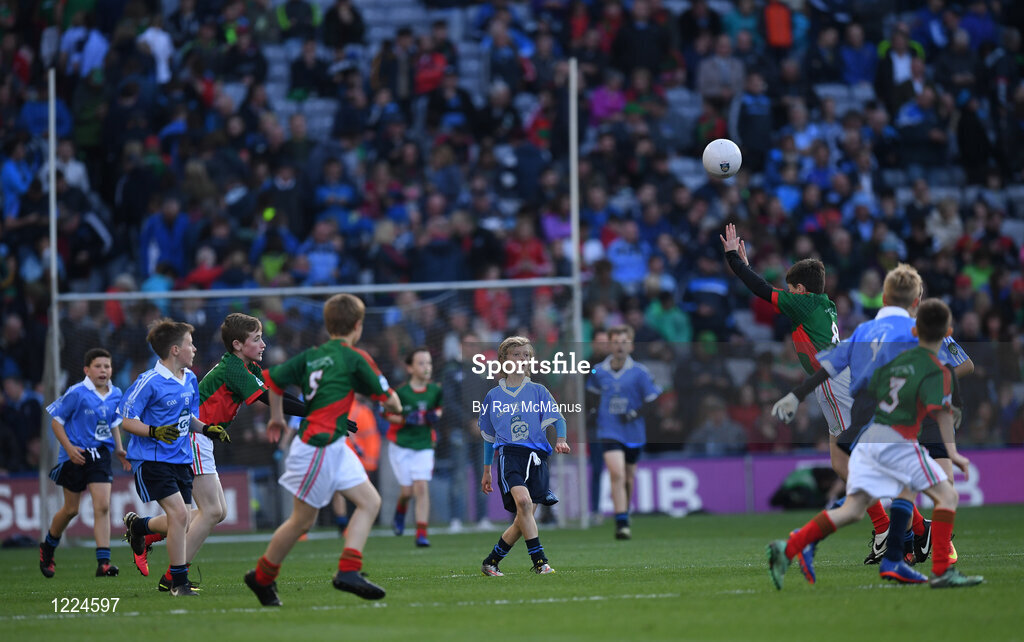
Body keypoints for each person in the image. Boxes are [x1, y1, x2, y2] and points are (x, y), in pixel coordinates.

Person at [766, 299, 983, 589]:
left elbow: (830, 366)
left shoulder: (869, 336)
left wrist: (797, 394)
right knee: (943, 495)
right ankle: (937, 567)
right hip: (892, 438)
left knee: (861, 505)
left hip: (872, 434)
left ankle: (793, 546)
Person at [126, 314, 306, 589]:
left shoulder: (245, 367)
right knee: (210, 511)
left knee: (215, 512)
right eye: (256, 339)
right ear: (237, 345)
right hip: (195, 436)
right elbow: (269, 400)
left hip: (203, 436)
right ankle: (174, 575)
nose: (263, 344)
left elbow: (273, 393)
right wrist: (315, 412)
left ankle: (143, 529)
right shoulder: (233, 368)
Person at [244, 293, 402, 607]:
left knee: (370, 502)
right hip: (319, 443)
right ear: (358, 326)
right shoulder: (356, 357)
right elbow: (392, 402)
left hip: (334, 443)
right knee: (302, 521)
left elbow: (273, 381)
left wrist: (276, 417)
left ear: (329, 325)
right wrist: (394, 407)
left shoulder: (311, 356)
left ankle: (348, 570)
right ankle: (261, 577)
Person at [117, 319, 228, 597]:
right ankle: (178, 582)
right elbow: (126, 420)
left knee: (184, 519)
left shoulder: (189, 378)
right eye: (190, 344)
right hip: (152, 460)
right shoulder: (149, 382)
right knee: (179, 515)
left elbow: (186, 418)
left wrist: (205, 428)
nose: (195, 348)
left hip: (181, 459)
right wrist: (155, 431)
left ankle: (139, 527)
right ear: (176, 349)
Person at [479, 336, 571, 577]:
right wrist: (487, 470)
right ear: (503, 360)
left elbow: (559, 419)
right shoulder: (492, 397)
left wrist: (561, 439)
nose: (522, 359)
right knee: (524, 503)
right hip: (510, 456)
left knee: (524, 517)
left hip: (537, 459)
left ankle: (491, 561)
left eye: (526, 355)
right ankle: (540, 561)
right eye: (516, 354)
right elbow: (489, 438)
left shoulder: (538, 391)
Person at [40, 348, 130, 578]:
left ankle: (104, 563)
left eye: (107, 366)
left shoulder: (115, 393)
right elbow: (56, 424)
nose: (103, 370)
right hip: (76, 454)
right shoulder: (77, 392)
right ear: (87, 370)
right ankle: (48, 548)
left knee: (102, 506)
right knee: (71, 510)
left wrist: (119, 448)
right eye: (98, 366)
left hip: (100, 455)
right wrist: (69, 449)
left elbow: (114, 422)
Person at [586, 325, 661, 539]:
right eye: (616, 342)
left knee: (628, 477)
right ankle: (621, 523)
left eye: (624, 342)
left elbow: (652, 400)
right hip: (608, 428)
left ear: (631, 345)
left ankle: (624, 512)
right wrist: (593, 410)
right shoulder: (598, 370)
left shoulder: (640, 372)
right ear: (610, 344)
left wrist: (633, 414)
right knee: (616, 472)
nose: (620, 346)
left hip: (633, 431)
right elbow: (591, 390)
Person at [385, 347, 442, 547]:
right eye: (421, 363)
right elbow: (387, 415)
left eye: (429, 363)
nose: (426, 367)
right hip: (402, 446)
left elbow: (439, 410)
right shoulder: (401, 393)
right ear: (409, 368)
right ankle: (400, 511)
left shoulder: (435, 390)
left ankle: (421, 533)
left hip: (424, 444)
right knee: (407, 492)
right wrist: (405, 419)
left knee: (421, 486)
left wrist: (434, 415)